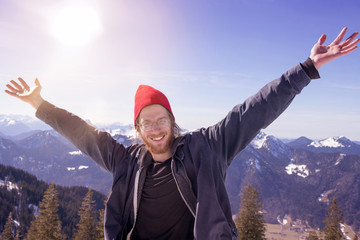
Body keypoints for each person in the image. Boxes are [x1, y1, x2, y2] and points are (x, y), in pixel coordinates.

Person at [5, 27, 359, 240]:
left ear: (172, 121)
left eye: (161, 120)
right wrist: (39, 103)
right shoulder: (125, 160)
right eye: (147, 122)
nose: (156, 129)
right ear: (138, 129)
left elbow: (256, 109)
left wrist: (307, 68)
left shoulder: (208, 146)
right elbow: (80, 132)